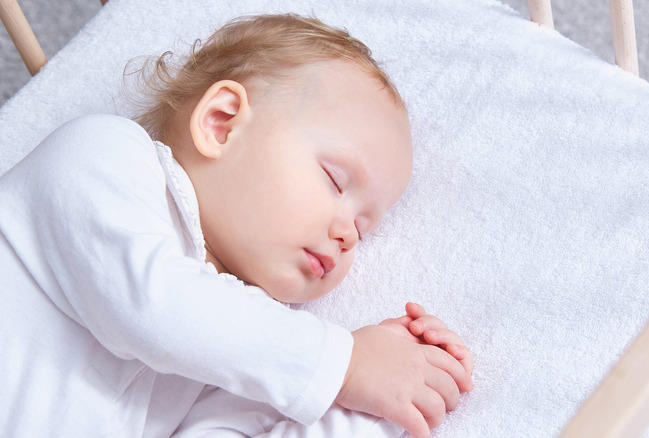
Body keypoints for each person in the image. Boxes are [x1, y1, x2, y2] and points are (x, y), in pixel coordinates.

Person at [0, 13, 472, 438]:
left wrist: (375, 401)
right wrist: (345, 363)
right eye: (334, 180)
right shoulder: (101, 155)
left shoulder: (244, 344)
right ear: (222, 123)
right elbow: (156, 307)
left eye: (365, 228)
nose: (349, 235)